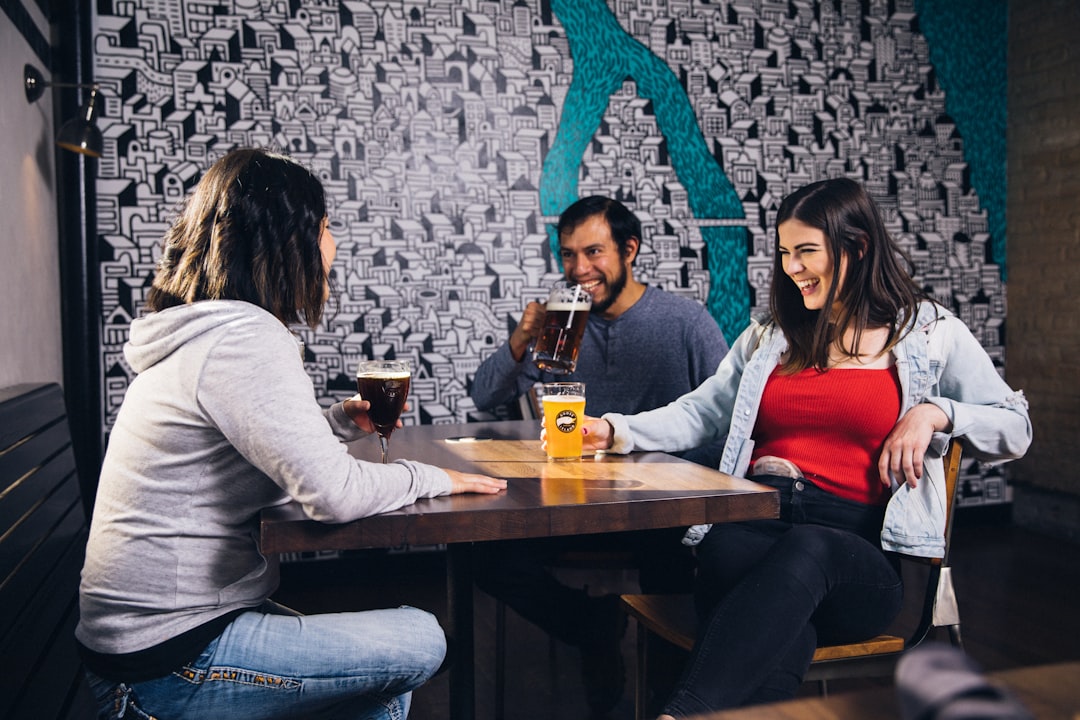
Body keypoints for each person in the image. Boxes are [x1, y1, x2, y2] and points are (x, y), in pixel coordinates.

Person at [571, 178, 1032, 716]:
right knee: (735, 563)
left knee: (806, 551)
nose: (792, 268)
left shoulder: (928, 332)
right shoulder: (771, 337)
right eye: (785, 252)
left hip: (853, 559)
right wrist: (613, 430)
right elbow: (701, 411)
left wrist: (936, 411)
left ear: (856, 248)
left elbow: (1015, 429)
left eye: (806, 251)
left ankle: (680, 712)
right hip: (756, 532)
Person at [76, 148, 507, 720]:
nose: (333, 247)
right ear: (290, 240)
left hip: (144, 644)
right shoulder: (245, 338)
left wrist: (330, 424)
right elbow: (331, 497)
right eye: (326, 228)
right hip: (163, 664)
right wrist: (434, 478)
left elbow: (241, 452)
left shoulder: (208, 332)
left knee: (381, 686)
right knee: (423, 639)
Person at [470, 195, 730, 715]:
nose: (579, 269)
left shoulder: (685, 322)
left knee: (673, 567)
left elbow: (726, 418)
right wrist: (522, 338)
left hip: (657, 505)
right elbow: (485, 395)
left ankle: (667, 698)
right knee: (482, 551)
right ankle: (592, 626)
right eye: (568, 255)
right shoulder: (560, 329)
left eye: (593, 252)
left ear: (629, 249)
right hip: (572, 502)